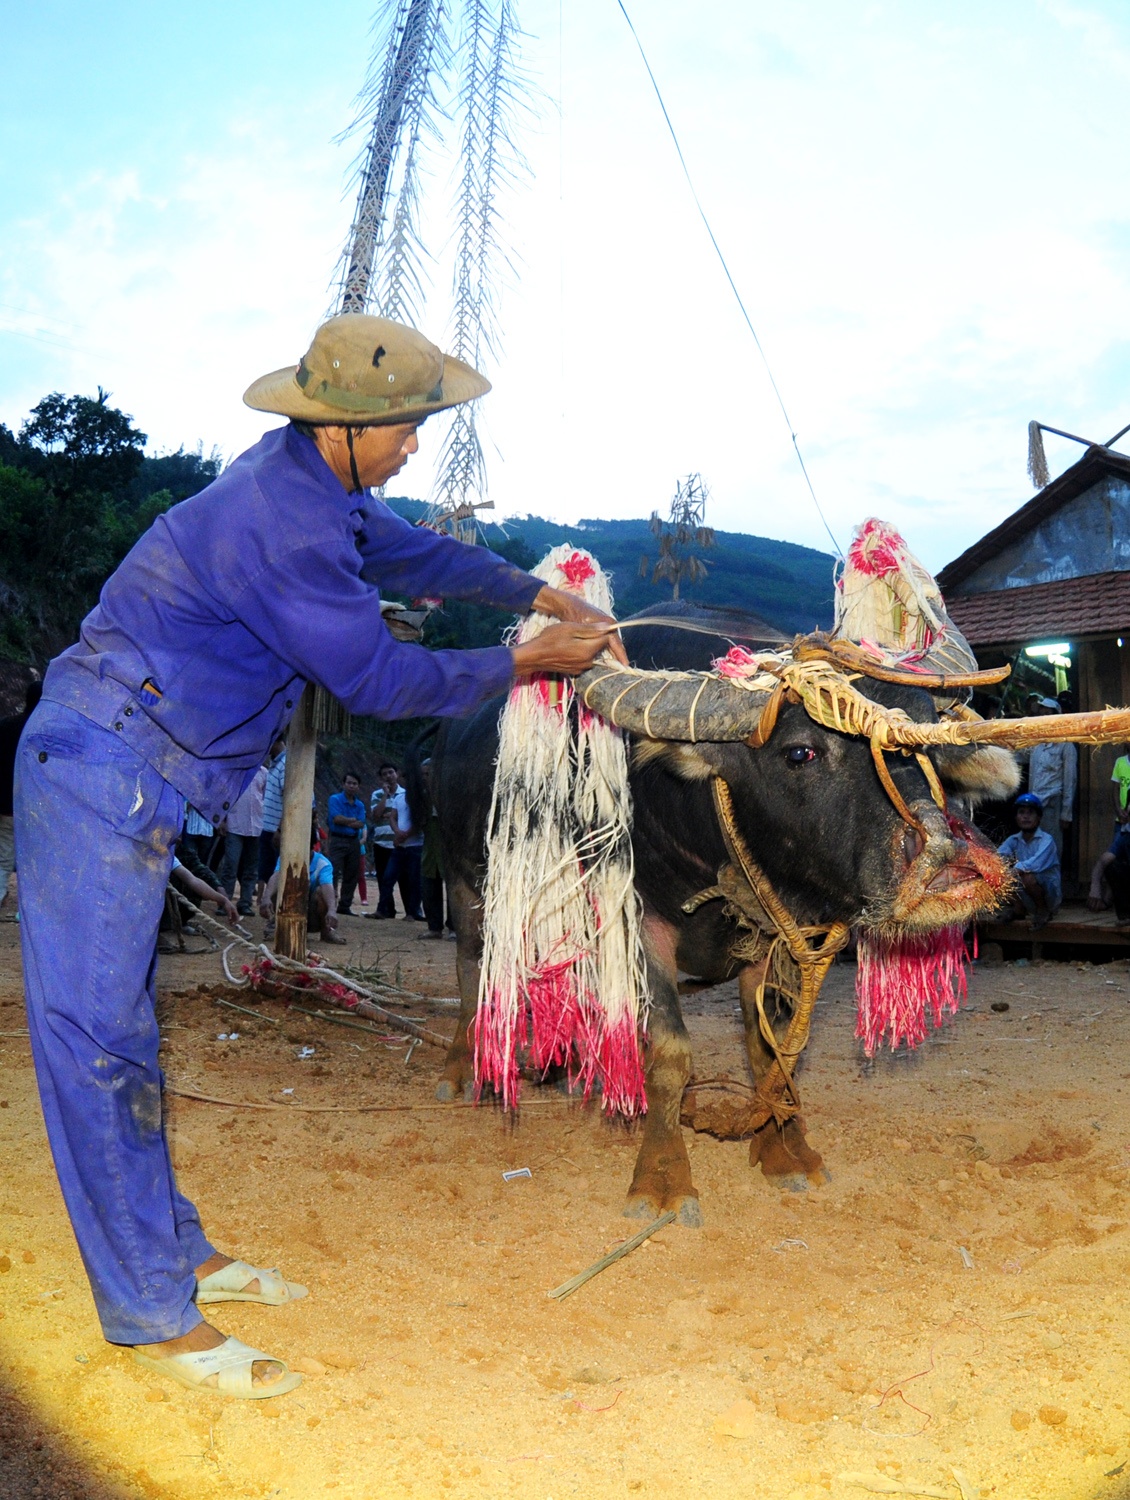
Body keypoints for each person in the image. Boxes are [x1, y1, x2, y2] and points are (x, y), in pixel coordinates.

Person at [13, 312, 624, 1401]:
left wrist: (526, 590)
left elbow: (408, 549)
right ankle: (151, 1313)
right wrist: (522, 659)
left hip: (137, 762)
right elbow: (384, 681)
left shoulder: (317, 490)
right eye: (409, 429)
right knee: (95, 1041)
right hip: (98, 763)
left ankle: (174, 1247)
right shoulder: (281, 527)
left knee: (124, 1028)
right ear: (351, 427)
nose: (416, 447)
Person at [259, 824, 343, 944]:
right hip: (289, 913)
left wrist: (331, 910)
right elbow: (276, 876)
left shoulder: (323, 863)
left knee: (323, 892)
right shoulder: (286, 858)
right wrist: (266, 898)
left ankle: (326, 931)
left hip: (312, 917)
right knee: (281, 884)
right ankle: (275, 925)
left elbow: (327, 886)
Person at [0, 680, 42, 918]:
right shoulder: (42, 729)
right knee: (32, 860)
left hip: (4, 803)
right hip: (32, 806)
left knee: (3, 857)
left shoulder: (6, 725)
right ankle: (25, 913)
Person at [998, 792, 1062, 929]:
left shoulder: (1046, 840)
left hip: (1049, 895)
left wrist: (1013, 870)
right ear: (1016, 817)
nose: (1026, 816)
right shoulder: (1013, 840)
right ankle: (1018, 909)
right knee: (999, 873)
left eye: (1030, 813)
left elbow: (1035, 864)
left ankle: (1043, 911)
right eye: (1021, 812)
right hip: (1027, 893)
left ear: (1038, 817)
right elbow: (999, 856)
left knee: (1027, 876)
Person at [1026, 698, 1076, 859]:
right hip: (1034, 805)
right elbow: (1023, 760)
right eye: (1042, 714)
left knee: (1050, 847)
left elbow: (1070, 780)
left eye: (1048, 714)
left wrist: (1066, 813)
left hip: (1052, 805)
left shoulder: (1066, 745)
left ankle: (1051, 883)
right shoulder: (1037, 745)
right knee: (1033, 847)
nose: (1044, 718)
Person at [218, 763, 267, 916]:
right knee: (230, 865)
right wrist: (223, 820)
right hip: (235, 825)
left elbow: (263, 797)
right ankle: (224, 903)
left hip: (256, 826)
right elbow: (225, 795)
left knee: (251, 868)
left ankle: (245, 903)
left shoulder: (264, 773)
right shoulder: (235, 769)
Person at [327, 771, 366, 917]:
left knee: (352, 874)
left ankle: (345, 905)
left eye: (354, 783)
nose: (351, 786)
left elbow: (361, 823)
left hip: (353, 841)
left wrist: (346, 820)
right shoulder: (335, 799)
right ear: (343, 784)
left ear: (358, 786)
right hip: (337, 839)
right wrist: (352, 821)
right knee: (333, 871)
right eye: (349, 783)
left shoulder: (359, 804)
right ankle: (330, 903)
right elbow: (336, 819)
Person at [367, 762, 399, 901]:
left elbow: (404, 815)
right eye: (384, 774)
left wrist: (388, 815)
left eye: (391, 772)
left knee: (405, 877)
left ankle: (411, 910)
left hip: (400, 842)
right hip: (381, 842)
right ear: (381, 778)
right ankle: (386, 907)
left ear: (396, 773)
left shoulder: (404, 794)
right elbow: (375, 815)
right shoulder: (377, 794)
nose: (388, 776)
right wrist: (385, 795)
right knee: (382, 877)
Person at [258, 739, 287, 890]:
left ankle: (272, 903)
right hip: (268, 826)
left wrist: (281, 829)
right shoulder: (276, 763)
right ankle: (264, 902)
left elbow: (289, 798)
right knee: (265, 868)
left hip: (277, 829)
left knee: (275, 869)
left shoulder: (286, 763)